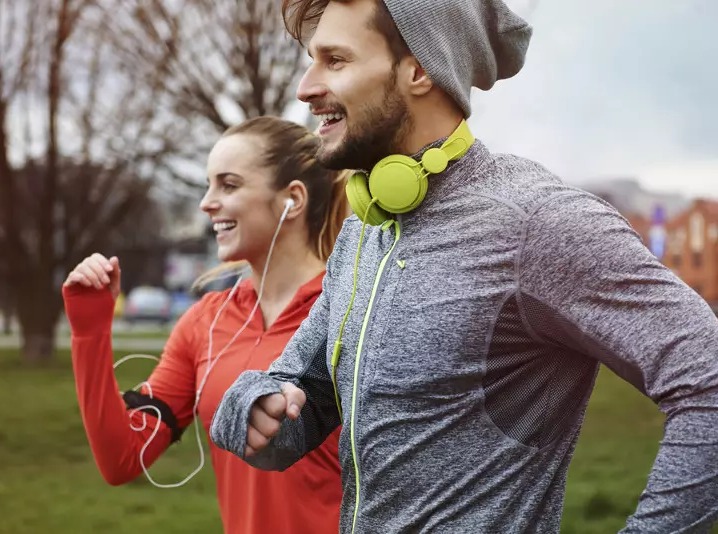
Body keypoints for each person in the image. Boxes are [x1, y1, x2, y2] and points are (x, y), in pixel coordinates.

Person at [209, 1, 718, 533]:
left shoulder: (536, 222)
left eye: (335, 60)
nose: (306, 87)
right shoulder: (367, 227)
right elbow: (299, 401)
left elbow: (708, 378)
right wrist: (254, 404)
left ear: (420, 69)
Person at [62, 116, 350, 534]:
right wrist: (89, 331)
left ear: (292, 199)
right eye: (209, 184)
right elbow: (122, 458)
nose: (206, 203)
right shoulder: (205, 322)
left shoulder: (353, 310)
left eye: (228, 185)